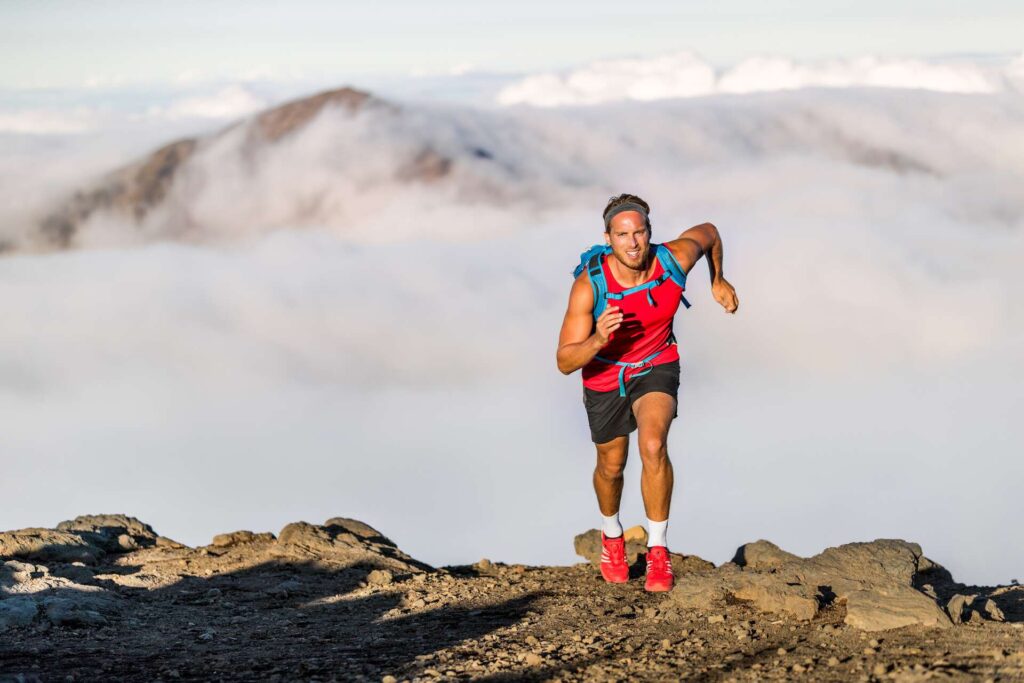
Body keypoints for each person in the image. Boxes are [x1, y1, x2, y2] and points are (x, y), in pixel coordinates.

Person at [556, 193, 738, 591]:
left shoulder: (673, 259)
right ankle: (611, 534)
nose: (633, 242)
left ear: (650, 233)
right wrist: (598, 339)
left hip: (657, 363)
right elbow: (566, 360)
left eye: (639, 232)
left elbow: (710, 233)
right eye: (623, 235)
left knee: (653, 445)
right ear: (608, 238)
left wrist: (717, 279)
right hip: (604, 374)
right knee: (611, 465)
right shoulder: (590, 287)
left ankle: (658, 550)